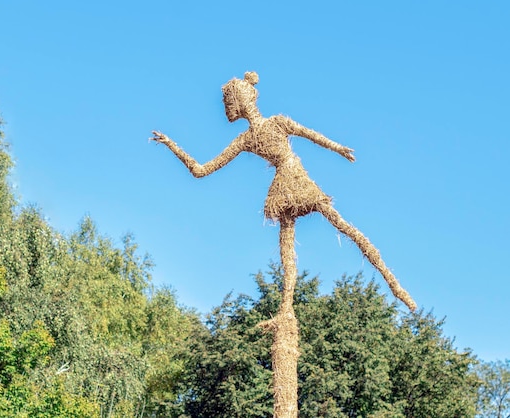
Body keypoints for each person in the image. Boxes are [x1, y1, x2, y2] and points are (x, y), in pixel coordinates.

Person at [151, 71, 416, 311]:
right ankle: (287, 309)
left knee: (334, 230)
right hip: (285, 186)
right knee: (301, 246)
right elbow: (201, 170)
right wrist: (171, 144)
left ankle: (393, 285)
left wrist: (339, 148)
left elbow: (310, 135)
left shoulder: (270, 126)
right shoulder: (251, 136)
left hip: (292, 182)